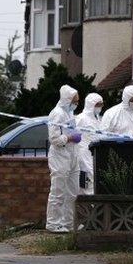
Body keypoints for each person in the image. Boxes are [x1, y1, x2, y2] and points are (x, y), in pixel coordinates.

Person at [46, 85, 82, 233]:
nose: (76, 104)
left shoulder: (70, 114)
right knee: (58, 190)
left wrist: (76, 136)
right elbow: (54, 139)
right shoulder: (57, 114)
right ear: (67, 99)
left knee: (73, 192)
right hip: (60, 156)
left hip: (72, 155)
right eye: (75, 101)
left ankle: (68, 223)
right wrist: (69, 137)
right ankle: (53, 223)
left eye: (78, 101)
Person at [75, 93, 104, 196]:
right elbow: (75, 135)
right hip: (83, 152)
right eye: (97, 104)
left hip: (94, 152)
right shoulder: (81, 118)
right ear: (90, 105)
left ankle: (92, 203)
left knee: (94, 178)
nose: (99, 107)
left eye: (101, 104)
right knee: (87, 178)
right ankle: (89, 204)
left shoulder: (97, 119)